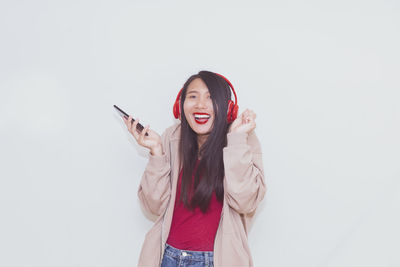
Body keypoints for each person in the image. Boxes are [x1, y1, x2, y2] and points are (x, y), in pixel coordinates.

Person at [123, 70, 266, 267]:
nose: (200, 105)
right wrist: (157, 151)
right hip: (168, 258)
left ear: (228, 107)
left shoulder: (242, 139)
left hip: (217, 261)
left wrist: (237, 140)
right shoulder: (171, 138)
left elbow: (246, 201)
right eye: (193, 96)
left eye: (210, 97)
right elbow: (153, 207)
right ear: (180, 106)